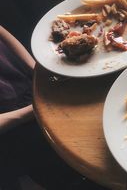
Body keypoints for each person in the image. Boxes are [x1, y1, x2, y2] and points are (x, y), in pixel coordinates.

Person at [0, 26, 105, 190]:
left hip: (29, 85)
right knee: (68, 170)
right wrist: (33, 109)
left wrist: (37, 71)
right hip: (14, 128)